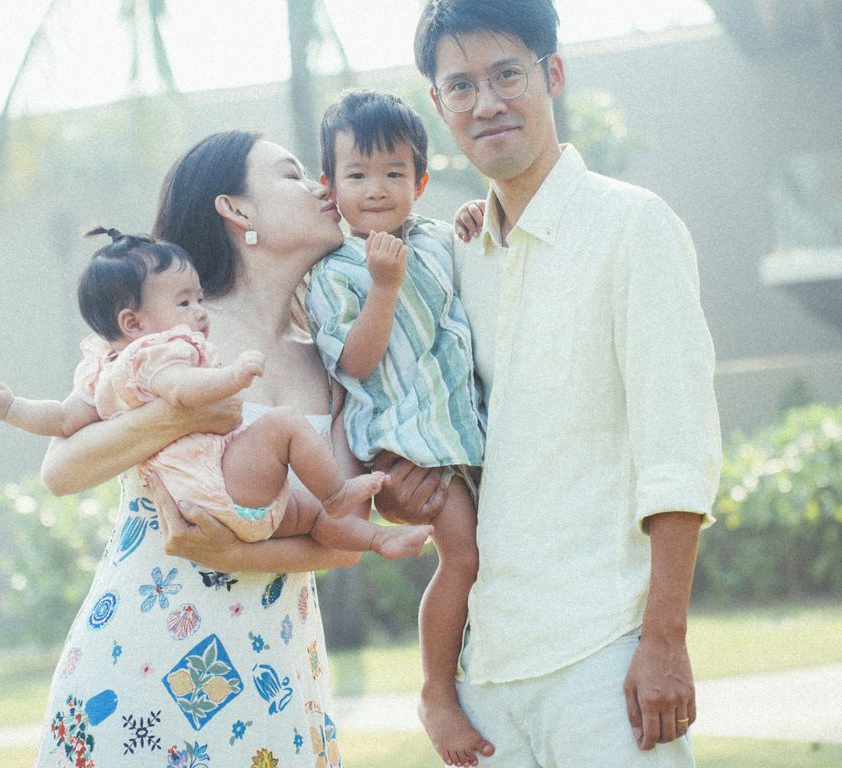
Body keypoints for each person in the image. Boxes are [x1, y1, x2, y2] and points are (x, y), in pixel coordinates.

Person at [383, 1, 725, 765]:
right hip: (490, 674)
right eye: (461, 86)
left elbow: (679, 443)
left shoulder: (632, 225)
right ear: (439, 108)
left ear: (554, 76)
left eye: (508, 74)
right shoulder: (458, 258)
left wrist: (664, 639)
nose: (488, 103)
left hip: (604, 656)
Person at [27, 131, 393, 768]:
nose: (323, 188)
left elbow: (344, 537)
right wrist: (179, 412)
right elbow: (61, 470)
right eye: (293, 174)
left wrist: (225, 549)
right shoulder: (177, 334)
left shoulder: (329, 364)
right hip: (145, 655)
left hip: (275, 670)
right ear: (238, 210)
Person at [0, 227, 431, 560]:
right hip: (214, 494)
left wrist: (12, 409)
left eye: (197, 299)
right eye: (186, 302)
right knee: (287, 430)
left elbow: (60, 416)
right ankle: (340, 501)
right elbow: (176, 391)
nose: (199, 313)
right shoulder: (163, 350)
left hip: (232, 510)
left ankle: (377, 538)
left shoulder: (107, 370)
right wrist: (229, 378)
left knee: (316, 518)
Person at [304, 88, 490, 766]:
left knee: (486, 558)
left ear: (421, 181)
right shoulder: (336, 271)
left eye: (393, 174)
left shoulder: (440, 239)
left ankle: (473, 676)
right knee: (463, 557)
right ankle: (437, 692)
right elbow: (353, 360)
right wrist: (382, 288)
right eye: (357, 175)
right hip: (405, 437)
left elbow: (479, 260)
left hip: (462, 427)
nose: (376, 190)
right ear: (330, 187)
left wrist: (479, 214)